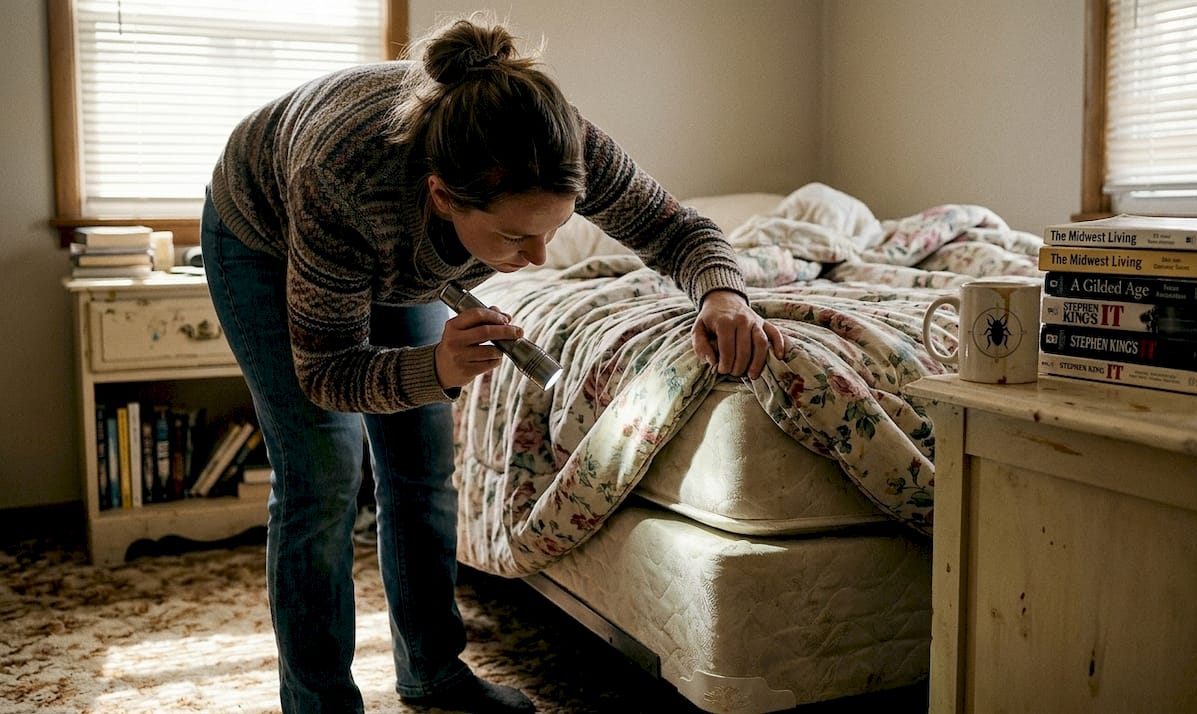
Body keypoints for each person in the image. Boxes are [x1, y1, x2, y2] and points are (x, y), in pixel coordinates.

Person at [202, 12, 786, 714]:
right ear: (443, 196)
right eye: (514, 237)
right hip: (263, 234)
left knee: (422, 467)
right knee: (321, 478)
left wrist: (723, 295)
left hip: (385, 242)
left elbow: (674, 228)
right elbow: (329, 374)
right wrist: (436, 369)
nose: (538, 258)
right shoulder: (339, 178)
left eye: (555, 230)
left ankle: (432, 672)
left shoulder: (556, 144)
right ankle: (319, 704)